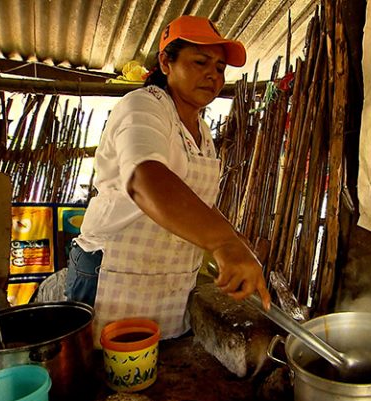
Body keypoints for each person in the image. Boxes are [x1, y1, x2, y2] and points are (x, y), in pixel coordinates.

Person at [65, 15, 271, 343]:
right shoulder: (143, 107)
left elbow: (200, 205)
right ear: (166, 62)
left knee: (157, 374)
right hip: (113, 271)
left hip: (168, 279)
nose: (212, 74)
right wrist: (223, 243)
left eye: (220, 67)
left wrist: (236, 244)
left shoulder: (202, 132)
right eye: (201, 61)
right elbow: (144, 180)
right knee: (101, 374)